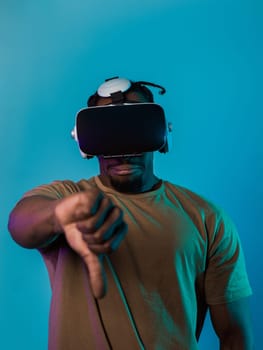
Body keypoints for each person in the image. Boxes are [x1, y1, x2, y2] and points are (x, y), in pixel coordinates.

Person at [8, 77, 254, 350]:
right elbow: (20, 223)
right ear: (85, 141)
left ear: (162, 134)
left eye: (134, 128)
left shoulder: (208, 219)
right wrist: (59, 216)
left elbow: (235, 334)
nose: (123, 149)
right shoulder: (67, 198)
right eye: (108, 132)